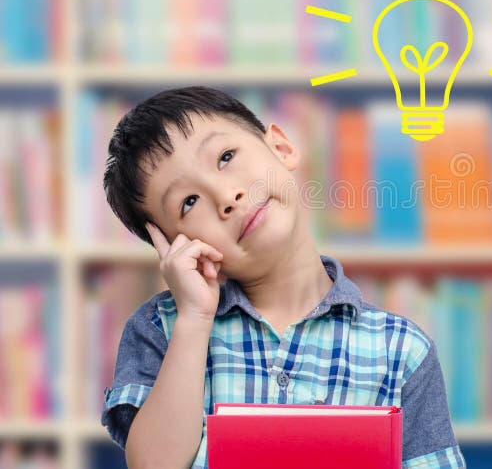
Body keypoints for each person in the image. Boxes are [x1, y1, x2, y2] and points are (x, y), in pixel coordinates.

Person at [100, 86, 466, 468]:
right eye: (188, 203)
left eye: (225, 157)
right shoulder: (162, 328)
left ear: (281, 148)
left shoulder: (401, 350)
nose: (228, 195)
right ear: (175, 246)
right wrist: (194, 318)